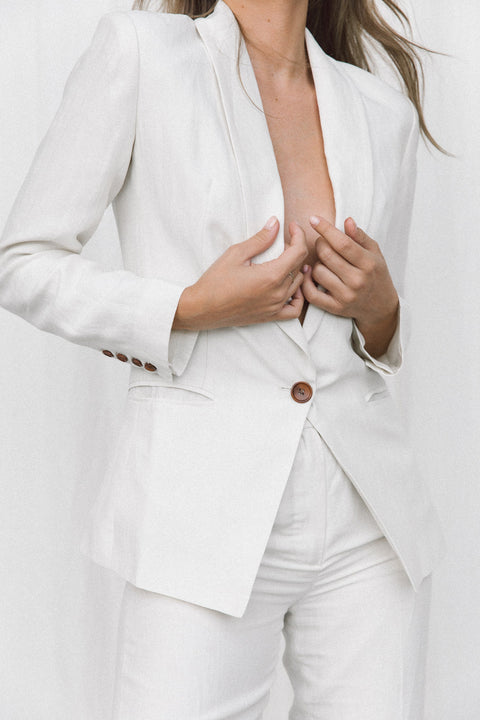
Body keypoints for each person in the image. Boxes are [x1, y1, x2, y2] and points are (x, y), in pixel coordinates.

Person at [0, 0, 447, 718]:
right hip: (198, 515)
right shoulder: (144, 53)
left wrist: (382, 306)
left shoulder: (377, 103)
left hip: (370, 522)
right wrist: (187, 307)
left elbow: (374, 341)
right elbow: (23, 263)